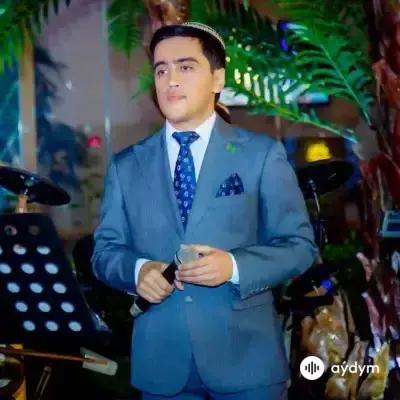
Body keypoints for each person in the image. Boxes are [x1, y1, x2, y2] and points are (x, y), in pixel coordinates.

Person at [92, 21, 317, 400]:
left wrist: (234, 266)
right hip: (162, 366)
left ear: (217, 79)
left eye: (185, 67)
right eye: (161, 70)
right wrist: (138, 270)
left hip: (247, 363)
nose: (170, 80)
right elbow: (104, 252)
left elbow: (299, 246)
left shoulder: (261, 154)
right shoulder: (126, 165)